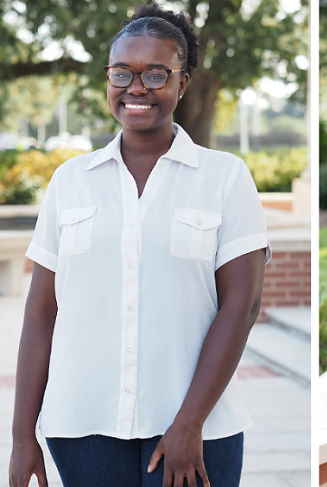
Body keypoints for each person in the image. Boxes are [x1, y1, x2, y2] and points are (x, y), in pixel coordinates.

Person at [8, 4, 270, 487]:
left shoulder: (225, 177)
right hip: (83, 426)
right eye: (122, 72)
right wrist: (22, 435)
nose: (136, 87)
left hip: (197, 427)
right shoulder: (70, 181)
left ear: (182, 83)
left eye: (155, 74)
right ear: (108, 79)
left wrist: (189, 422)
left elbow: (242, 305)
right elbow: (42, 311)